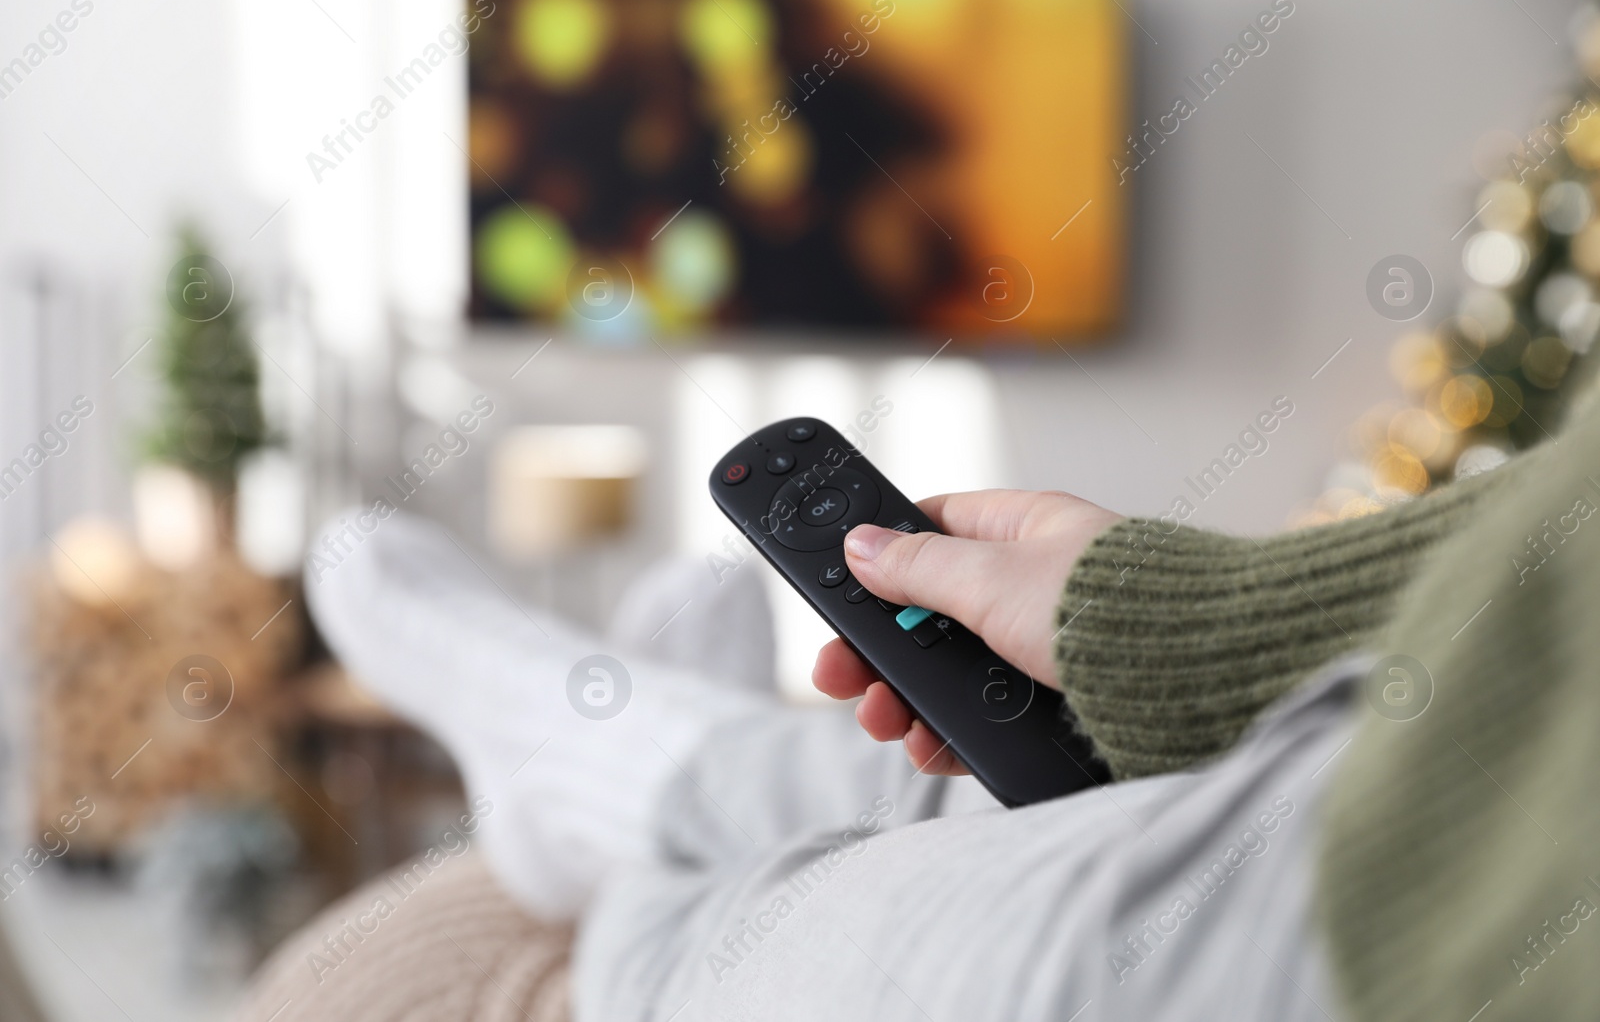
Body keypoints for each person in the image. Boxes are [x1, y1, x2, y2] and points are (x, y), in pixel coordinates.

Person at [238, 365, 1600, 1022]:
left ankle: (619, 776)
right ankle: (641, 758)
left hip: (1424, 934)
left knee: (736, 937)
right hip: (1461, 762)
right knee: (953, 763)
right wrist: (1189, 627)